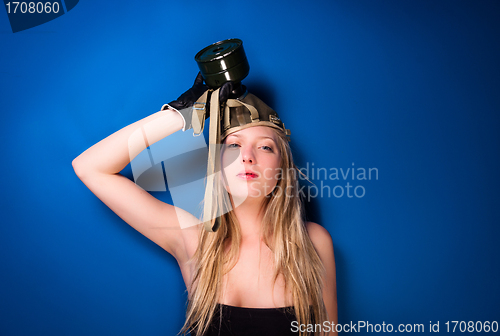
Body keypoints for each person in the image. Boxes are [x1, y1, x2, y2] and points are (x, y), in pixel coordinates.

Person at [72, 74, 338, 336]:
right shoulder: (194, 241)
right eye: (233, 145)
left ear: (282, 168)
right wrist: (183, 114)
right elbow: (90, 168)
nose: (247, 156)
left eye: (266, 147)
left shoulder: (313, 242)